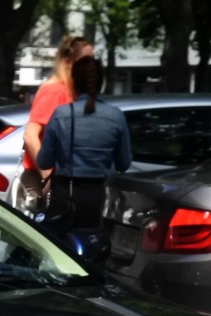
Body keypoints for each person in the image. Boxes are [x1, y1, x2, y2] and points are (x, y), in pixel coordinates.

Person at [36, 56, 131, 230]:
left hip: (65, 194)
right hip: (100, 196)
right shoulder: (116, 115)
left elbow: (44, 161)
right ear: (100, 83)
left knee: (60, 246)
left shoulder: (61, 114)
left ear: (73, 83)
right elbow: (124, 163)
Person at [17, 35, 93, 209]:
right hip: (43, 181)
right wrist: (49, 175)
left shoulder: (68, 90)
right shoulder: (56, 91)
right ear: (68, 61)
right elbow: (30, 135)